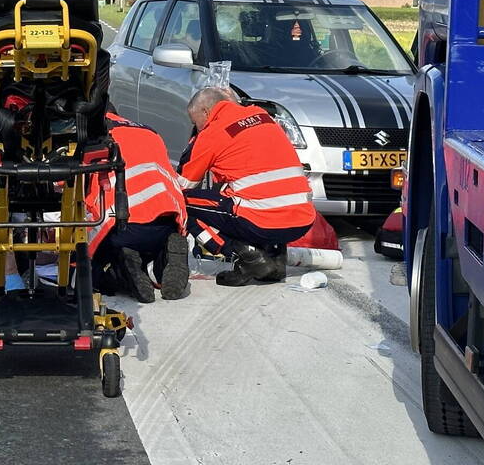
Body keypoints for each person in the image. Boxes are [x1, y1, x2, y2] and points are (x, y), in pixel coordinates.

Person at [178, 87, 315, 286]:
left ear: (206, 113)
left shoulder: (212, 133)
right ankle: (274, 262)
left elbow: (182, 185)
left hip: (261, 221)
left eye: (195, 121)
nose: (196, 127)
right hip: (301, 219)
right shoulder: (263, 116)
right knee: (250, 196)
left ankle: (247, 257)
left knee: (182, 204)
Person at [86, 108, 189, 303]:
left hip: (119, 226)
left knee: (93, 272)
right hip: (167, 221)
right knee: (150, 246)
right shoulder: (149, 131)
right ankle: (162, 260)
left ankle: (122, 269)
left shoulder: (91, 136)